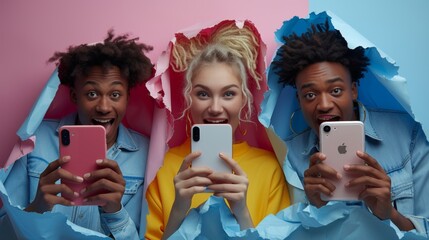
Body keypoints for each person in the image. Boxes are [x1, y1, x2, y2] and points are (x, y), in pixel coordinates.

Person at [269, 15, 429, 236]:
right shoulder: (291, 156)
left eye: (335, 91)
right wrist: (314, 210)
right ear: (299, 101)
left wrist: (389, 213)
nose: (323, 105)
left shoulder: (407, 135)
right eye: (310, 94)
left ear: (353, 90)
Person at [0, 30, 154, 239]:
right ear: (74, 96)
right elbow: (4, 233)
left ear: (127, 99)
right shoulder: (37, 140)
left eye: (115, 94)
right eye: (92, 93)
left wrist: (115, 211)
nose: (103, 107)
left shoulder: (147, 153)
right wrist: (38, 207)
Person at [145, 21, 290, 239]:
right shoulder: (165, 167)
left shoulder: (269, 168)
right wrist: (178, 209)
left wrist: (241, 212)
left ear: (244, 100)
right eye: (203, 94)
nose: (214, 108)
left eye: (228, 94)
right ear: (188, 100)